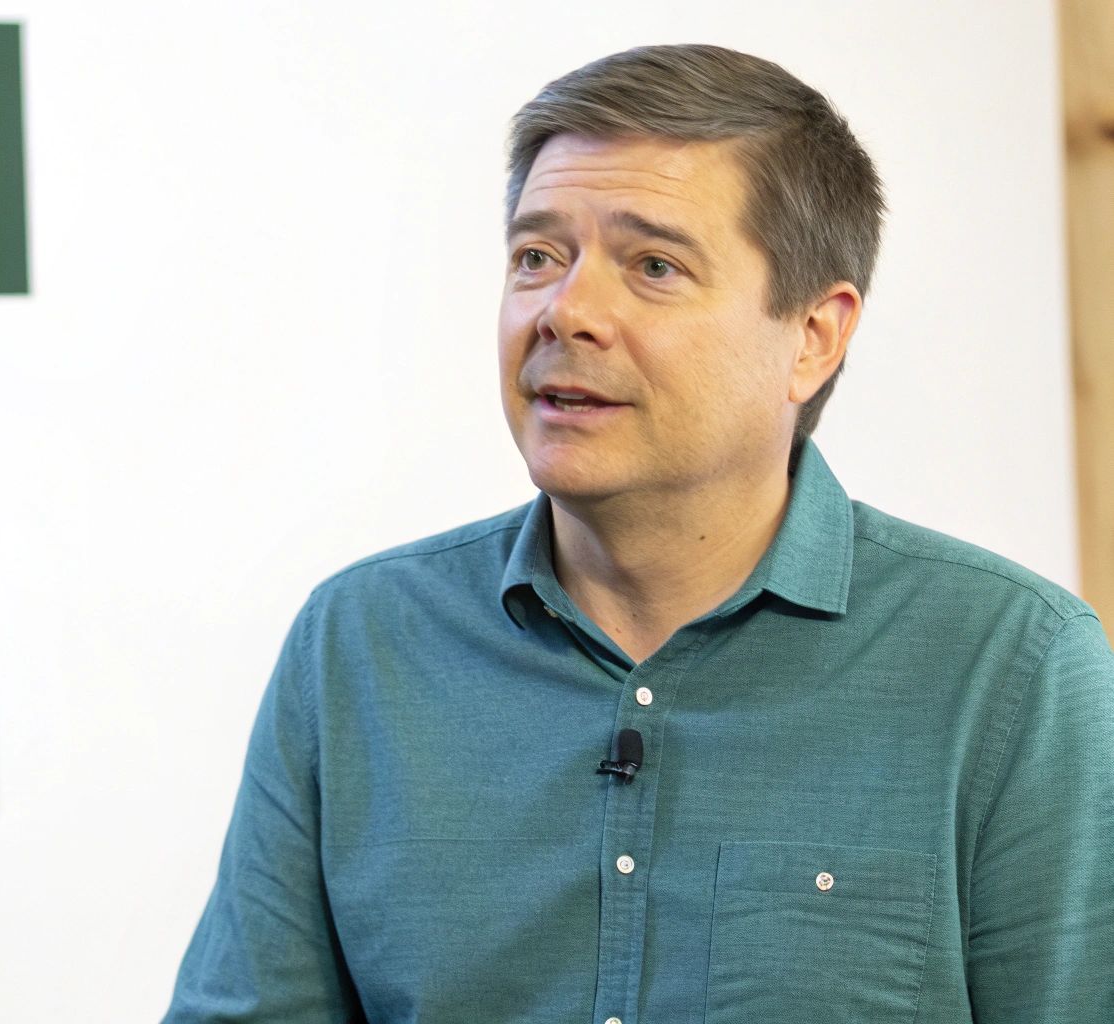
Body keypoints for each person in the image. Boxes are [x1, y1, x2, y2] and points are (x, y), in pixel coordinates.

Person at [164, 44, 1114, 1023]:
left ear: (813, 336)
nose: (564, 311)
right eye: (536, 256)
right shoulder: (358, 644)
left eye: (651, 266)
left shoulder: (1011, 666)